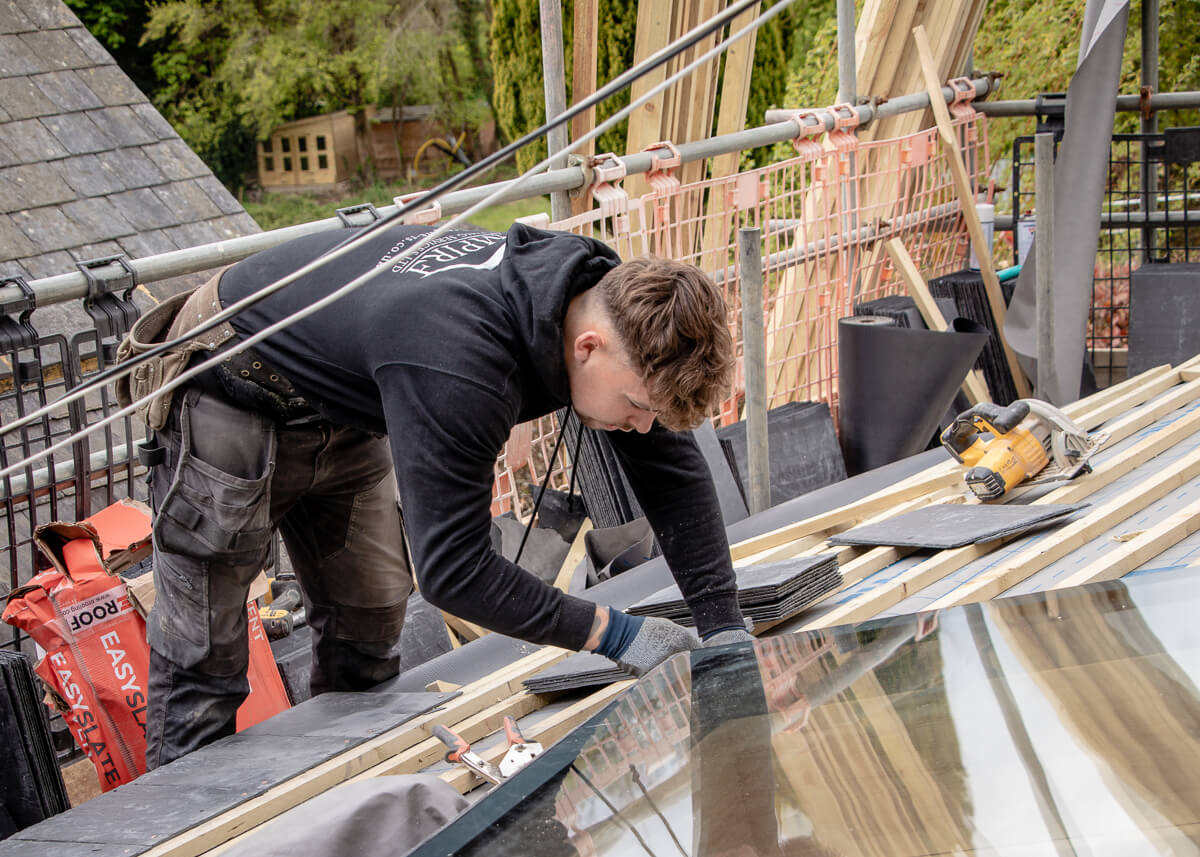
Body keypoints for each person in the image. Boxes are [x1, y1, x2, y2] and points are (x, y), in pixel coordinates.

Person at [123, 221, 752, 768]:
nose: (641, 426)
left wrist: (722, 626)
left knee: (367, 630)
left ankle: (347, 810)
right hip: (230, 378)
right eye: (636, 406)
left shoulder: (604, 303)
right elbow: (454, 571)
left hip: (352, 392)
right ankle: (182, 829)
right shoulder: (461, 361)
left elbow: (671, 471)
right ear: (588, 348)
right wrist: (613, 634)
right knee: (204, 658)